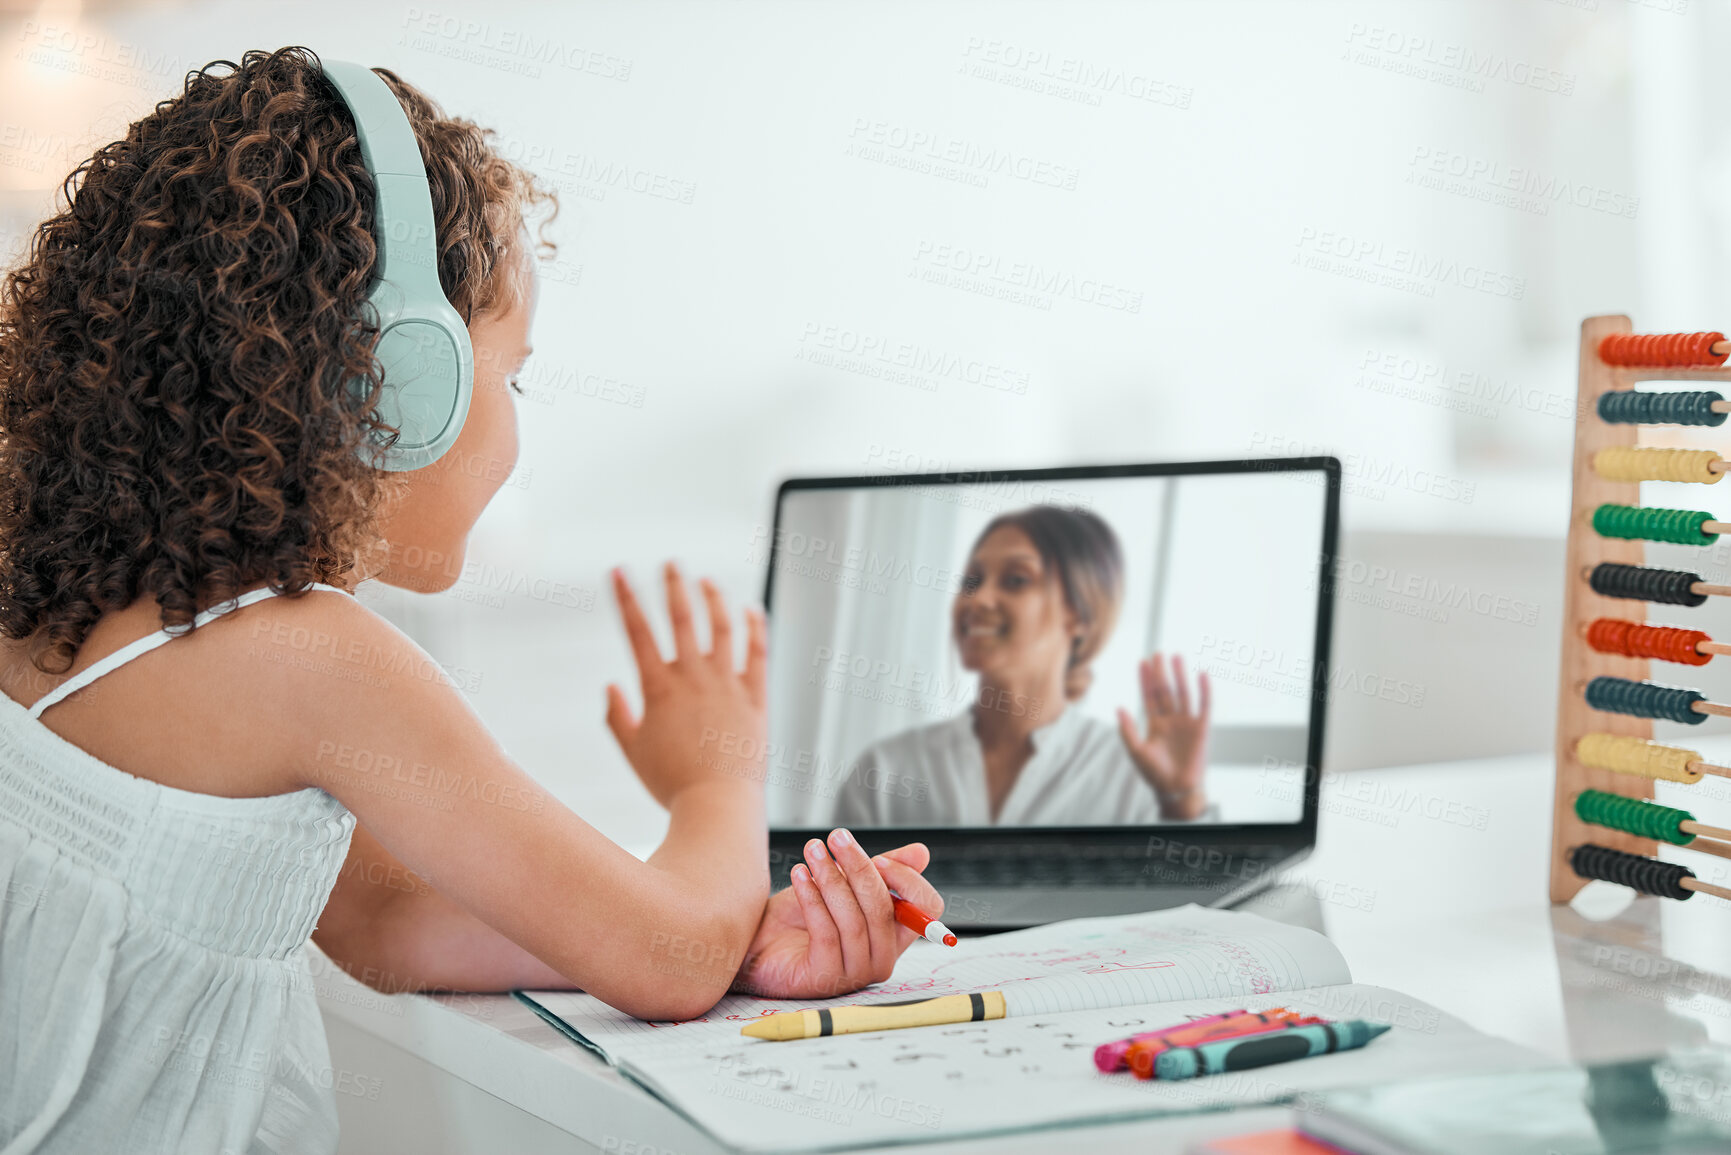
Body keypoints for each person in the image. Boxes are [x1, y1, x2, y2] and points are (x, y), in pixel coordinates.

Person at [0, 47, 940, 1154]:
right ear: (398, 380)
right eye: (513, 373)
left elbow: (382, 920)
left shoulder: (64, 605)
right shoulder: (313, 660)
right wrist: (717, 776)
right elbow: (667, 958)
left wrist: (734, 931)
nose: (516, 419)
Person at [830, 505, 1213, 827]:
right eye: (972, 581)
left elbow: (1201, 906)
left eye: (1015, 579)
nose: (978, 600)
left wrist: (1181, 799)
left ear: (1080, 615)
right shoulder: (883, 772)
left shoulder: (1132, 774)